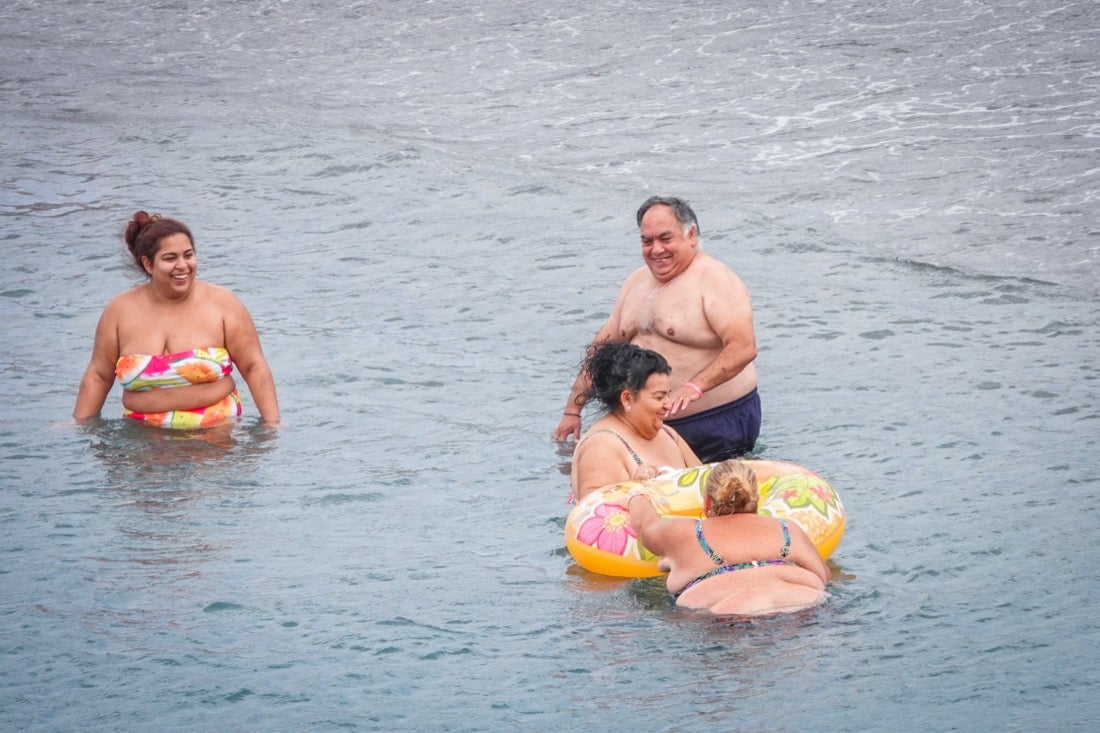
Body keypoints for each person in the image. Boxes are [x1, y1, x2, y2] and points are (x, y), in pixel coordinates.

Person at [553, 196, 760, 462]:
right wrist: (573, 410)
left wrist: (693, 388)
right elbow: (601, 349)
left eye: (666, 238)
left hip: (715, 423)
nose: (656, 249)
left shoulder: (715, 279)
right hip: (651, 425)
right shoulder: (636, 283)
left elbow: (743, 347)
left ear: (691, 235)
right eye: (647, 241)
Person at [74, 211, 280, 428]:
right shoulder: (119, 311)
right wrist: (78, 424)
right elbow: (98, 375)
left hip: (215, 440)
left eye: (188, 255)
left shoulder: (223, 303)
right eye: (170, 258)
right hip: (140, 440)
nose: (183, 265)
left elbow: (253, 366)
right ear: (148, 264)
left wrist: (272, 424)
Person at [627, 459, 830, 616]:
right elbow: (825, 576)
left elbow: (645, 523)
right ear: (756, 501)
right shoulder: (787, 529)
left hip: (726, 618)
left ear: (706, 503)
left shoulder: (684, 533)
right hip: (807, 607)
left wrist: (638, 491)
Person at [570, 342, 700, 502]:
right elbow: (594, 511)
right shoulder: (601, 447)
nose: (668, 404)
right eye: (659, 397)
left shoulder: (668, 434)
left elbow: (708, 480)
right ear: (627, 398)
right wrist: (636, 488)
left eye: (668, 395)